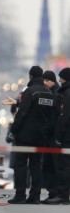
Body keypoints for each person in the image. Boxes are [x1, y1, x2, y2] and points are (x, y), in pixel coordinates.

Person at [8, 66, 54, 204]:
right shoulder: (48, 93)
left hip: (26, 136)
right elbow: (51, 117)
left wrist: (14, 129)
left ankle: (20, 195)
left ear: (31, 77)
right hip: (41, 137)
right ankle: (35, 196)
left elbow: (22, 113)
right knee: (36, 165)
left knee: (20, 164)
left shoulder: (30, 92)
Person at [47, 67, 70, 204]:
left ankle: (63, 194)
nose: (59, 79)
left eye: (61, 77)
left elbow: (64, 116)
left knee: (64, 166)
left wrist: (58, 136)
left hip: (66, 136)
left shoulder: (66, 93)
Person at [41, 70, 61, 203]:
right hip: (50, 135)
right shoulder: (50, 93)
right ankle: (53, 192)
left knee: (54, 166)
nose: (45, 83)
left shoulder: (58, 93)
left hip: (54, 135)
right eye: (44, 81)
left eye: (48, 81)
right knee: (48, 165)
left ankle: (57, 193)